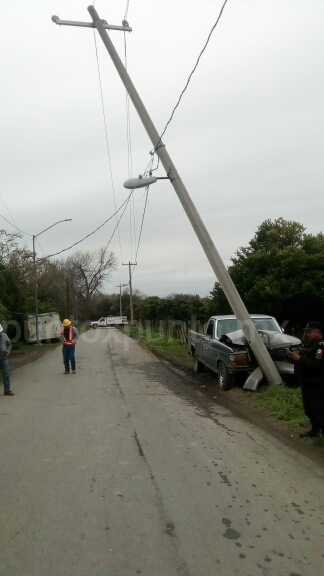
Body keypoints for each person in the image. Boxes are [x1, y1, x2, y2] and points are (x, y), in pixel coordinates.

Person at [287, 321, 324, 439]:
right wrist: (294, 358)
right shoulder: (310, 345)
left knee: (318, 410)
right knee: (308, 409)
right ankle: (315, 431)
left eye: (310, 332)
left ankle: (321, 434)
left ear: (318, 332)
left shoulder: (321, 347)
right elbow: (304, 360)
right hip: (306, 381)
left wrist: (299, 359)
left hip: (316, 383)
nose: (307, 334)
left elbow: (316, 365)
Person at [0, 324, 14, 396]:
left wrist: (8, 350)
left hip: (4, 359)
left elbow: (9, 344)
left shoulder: (5, 336)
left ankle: (7, 390)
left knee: (6, 374)